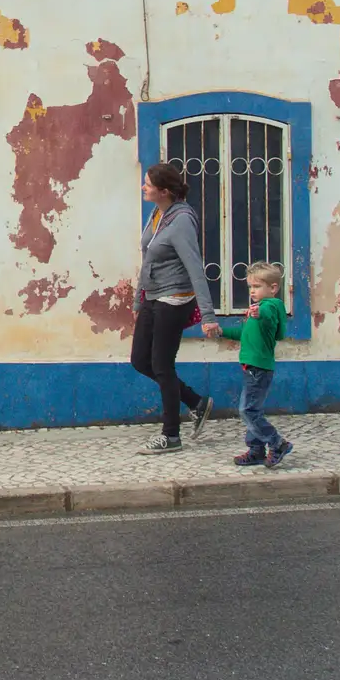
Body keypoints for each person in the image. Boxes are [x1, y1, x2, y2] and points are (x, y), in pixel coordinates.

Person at [132, 162, 216, 455]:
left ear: (164, 191)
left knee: (162, 366)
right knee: (140, 360)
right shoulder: (158, 214)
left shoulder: (180, 221)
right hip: (153, 298)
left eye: (148, 184)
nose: (144, 187)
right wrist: (138, 300)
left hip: (174, 299)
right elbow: (148, 261)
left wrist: (208, 315)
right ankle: (196, 402)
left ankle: (171, 436)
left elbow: (195, 268)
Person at [203, 261, 293, 468]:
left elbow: (270, 317)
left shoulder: (269, 306)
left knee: (247, 410)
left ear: (273, 288)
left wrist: (258, 314)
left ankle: (277, 443)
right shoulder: (259, 308)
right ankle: (256, 450)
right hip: (253, 367)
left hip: (259, 368)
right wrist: (221, 331)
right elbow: (245, 334)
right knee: (254, 410)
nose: (253, 291)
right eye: (251, 287)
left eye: (257, 286)